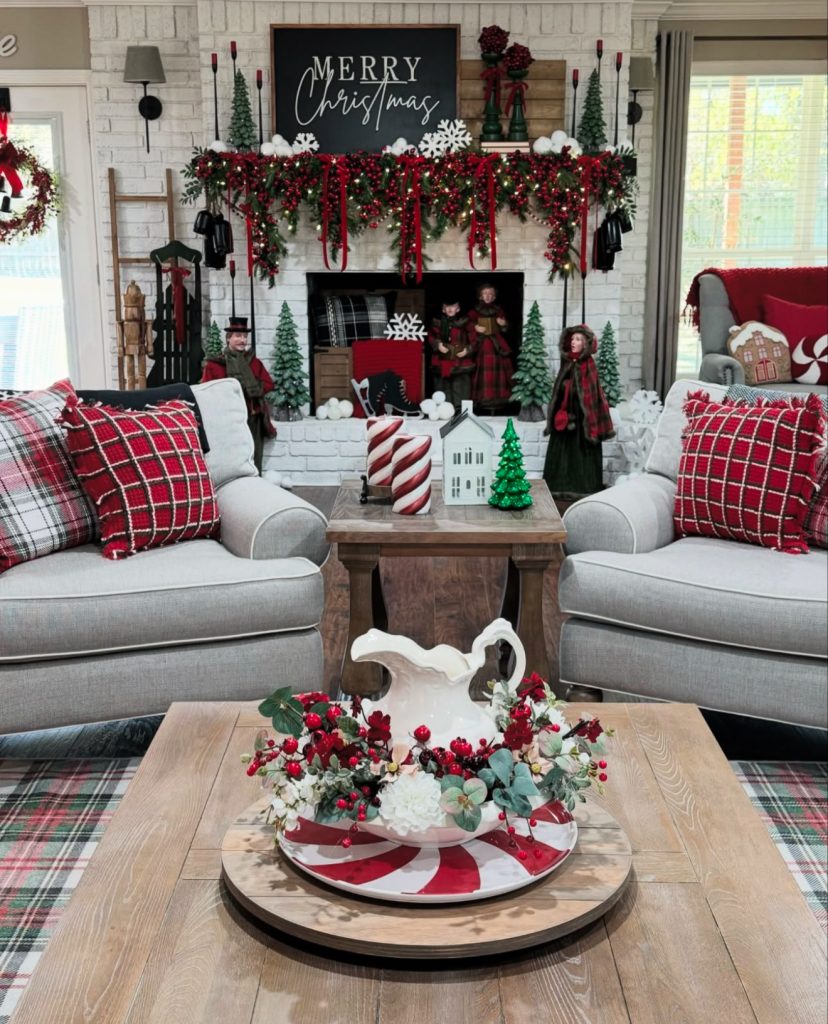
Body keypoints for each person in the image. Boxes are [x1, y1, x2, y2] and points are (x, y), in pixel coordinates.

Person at [543, 324, 615, 499]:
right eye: (572, 339)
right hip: (564, 416)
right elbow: (559, 388)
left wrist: (574, 391)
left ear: (585, 344)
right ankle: (558, 485)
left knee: (581, 453)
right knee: (562, 452)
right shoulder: (567, 362)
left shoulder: (588, 364)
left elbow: (592, 394)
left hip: (583, 421)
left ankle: (583, 487)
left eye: (578, 339)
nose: (573, 342)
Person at [201, 315, 276, 473]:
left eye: (244, 336)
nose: (242, 340)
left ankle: (255, 487)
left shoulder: (254, 363)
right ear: (228, 338)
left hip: (253, 418)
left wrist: (252, 387)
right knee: (231, 458)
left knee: (254, 457)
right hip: (228, 420)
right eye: (238, 336)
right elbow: (207, 392)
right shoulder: (214, 365)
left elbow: (269, 384)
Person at [468, 282, 512, 411]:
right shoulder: (475, 311)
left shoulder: (498, 310)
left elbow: (505, 329)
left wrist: (503, 323)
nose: (488, 296)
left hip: (496, 343)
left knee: (499, 370)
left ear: (494, 297)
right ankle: (483, 398)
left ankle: (498, 399)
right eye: (485, 293)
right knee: (483, 370)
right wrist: (475, 327)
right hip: (481, 343)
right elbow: (467, 323)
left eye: (491, 294)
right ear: (480, 296)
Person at [427, 298, 476, 409]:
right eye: (447, 307)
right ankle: (445, 408)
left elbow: (475, 340)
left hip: (460, 360)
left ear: (458, 309)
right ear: (443, 309)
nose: (450, 309)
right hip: (442, 360)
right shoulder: (437, 323)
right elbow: (430, 337)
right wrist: (438, 344)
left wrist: (467, 350)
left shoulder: (465, 323)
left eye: (453, 306)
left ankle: (460, 409)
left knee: (461, 385)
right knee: (443, 386)